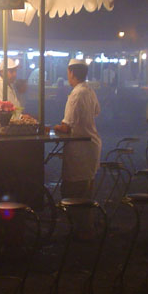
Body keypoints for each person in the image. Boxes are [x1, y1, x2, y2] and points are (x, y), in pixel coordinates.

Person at [53, 59, 102, 201]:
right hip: (92, 146)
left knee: (74, 194)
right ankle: (87, 222)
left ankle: (79, 223)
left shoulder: (76, 94)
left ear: (71, 72)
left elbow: (66, 127)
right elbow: (96, 112)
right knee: (87, 192)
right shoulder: (89, 90)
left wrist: (54, 127)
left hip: (80, 151)